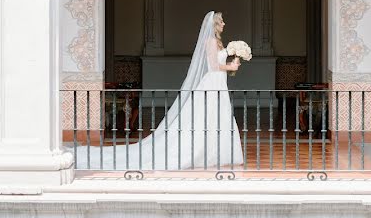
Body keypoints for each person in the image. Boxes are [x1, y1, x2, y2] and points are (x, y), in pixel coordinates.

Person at [74, 10, 244, 170]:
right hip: (212, 83)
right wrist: (230, 66)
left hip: (218, 84)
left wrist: (233, 53)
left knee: (216, 117)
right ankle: (199, 152)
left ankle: (215, 153)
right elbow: (213, 66)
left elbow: (218, 61)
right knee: (204, 117)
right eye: (221, 21)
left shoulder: (219, 43)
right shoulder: (211, 42)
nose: (224, 23)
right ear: (214, 24)